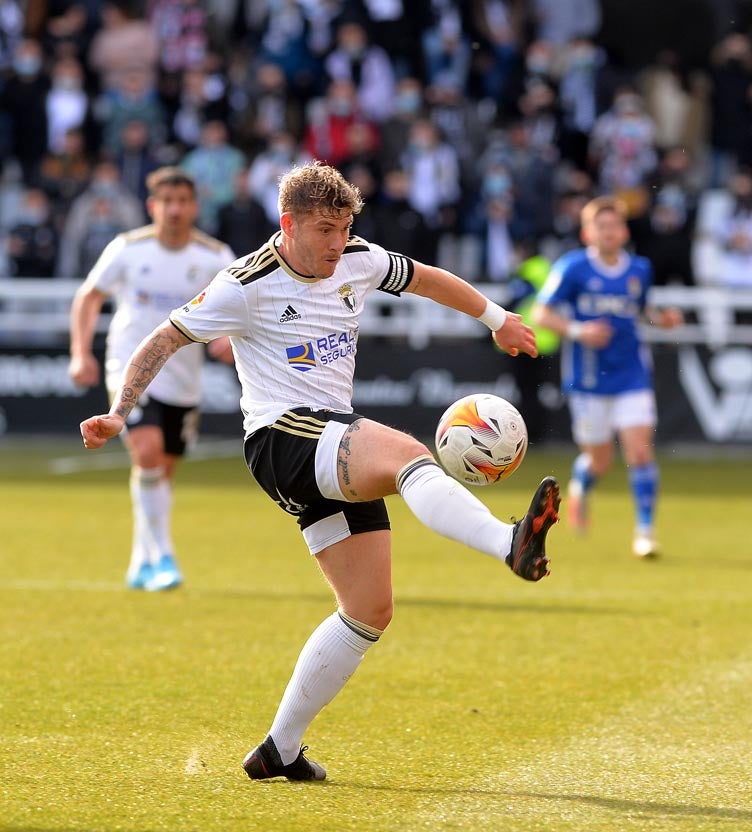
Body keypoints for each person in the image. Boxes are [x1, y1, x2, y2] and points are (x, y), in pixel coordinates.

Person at [79, 162, 561, 780]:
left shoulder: (358, 258)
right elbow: (163, 339)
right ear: (289, 224)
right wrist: (120, 412)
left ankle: (280, 746)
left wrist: (497, 319)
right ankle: (507, 542)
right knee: (410, 456)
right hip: (283, 437)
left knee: (368, 609)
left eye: (344, 228)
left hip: (325, 441)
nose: (338, 243)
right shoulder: (243, 282)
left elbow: (427, 279)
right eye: (325, 230)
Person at [69, 167, 234, 592]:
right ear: (152, 206)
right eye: (168, 202)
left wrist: (231, 339)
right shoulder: (127, 249)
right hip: (129, 368)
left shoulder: (215, 257)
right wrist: (79, 353)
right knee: (148, 451)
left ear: (195, 206)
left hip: (183, 378)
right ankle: (163, 555)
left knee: (164, 468)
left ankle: (141, 559)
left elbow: (246, 306)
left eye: (183, 201)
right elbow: (89, 296)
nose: (176, 210)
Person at [533, 196, 682, 558]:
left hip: (632, 373)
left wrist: (661, 320)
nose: (609, 232)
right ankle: (582, 485)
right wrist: (579, 331)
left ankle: (645, 532)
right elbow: (541, 313)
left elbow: (642, 311)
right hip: (589, 379)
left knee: (640, 452)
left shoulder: (639, 270)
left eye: (614, 225)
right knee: (600, 459)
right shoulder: (573, 268)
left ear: (624, 230)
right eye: (601, 226)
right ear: (587, 233)